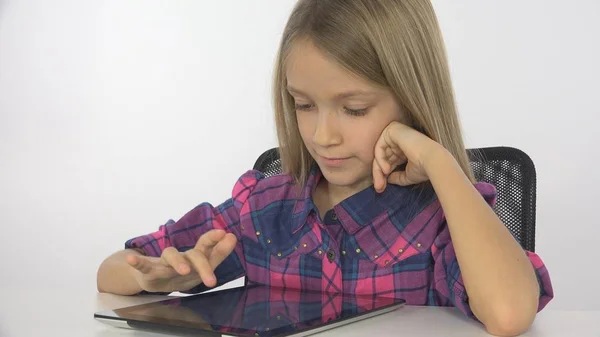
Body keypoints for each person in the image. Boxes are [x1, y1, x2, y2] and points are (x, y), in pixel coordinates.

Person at [97, 0, 553, 335]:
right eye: (303, 105)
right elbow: (112, 270)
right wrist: (151, 275)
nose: (322, 136)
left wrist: (439, 160)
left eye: (353, 109)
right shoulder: (261, 209)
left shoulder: (440, 221)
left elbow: (509, 313)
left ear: (413, 102)